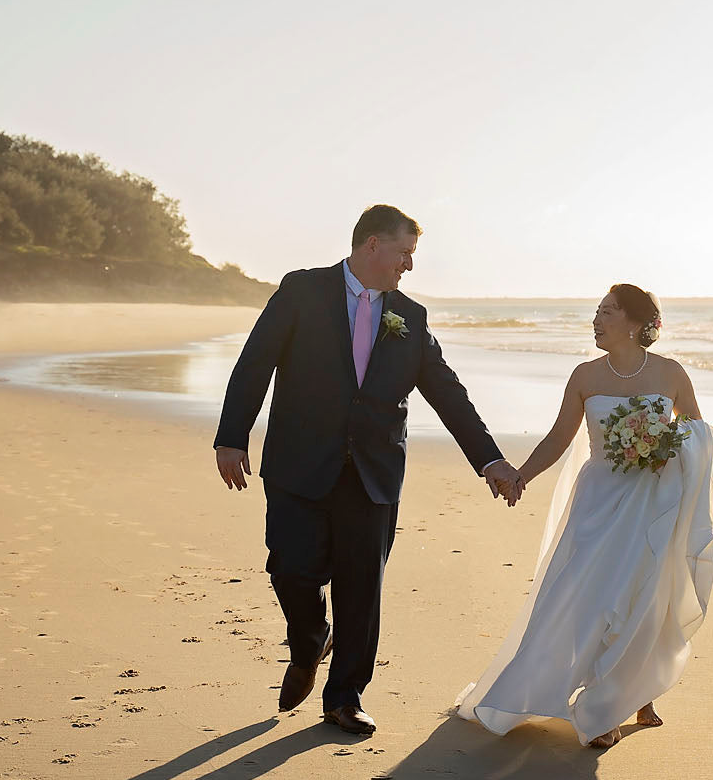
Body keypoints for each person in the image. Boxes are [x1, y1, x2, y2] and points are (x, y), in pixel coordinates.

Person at [214, 204, 524, 738]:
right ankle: (310, 640)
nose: (409, 265)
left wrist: (489, 458)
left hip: (374, 472)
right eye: (405, 253)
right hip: (298, 464)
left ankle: (345, 697)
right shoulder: (301, 291)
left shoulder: (411, 317)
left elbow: (447, 392)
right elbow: (255, 360)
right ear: (372, 245)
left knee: (362, 589)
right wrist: (232, 436)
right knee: (291, 569)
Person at [457, 283, 713, 749]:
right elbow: (558, 439)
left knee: (643, 595)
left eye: (608, 312)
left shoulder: (671, 374)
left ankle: (623, 697)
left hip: (651, 503)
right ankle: (602, 695)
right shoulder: (584, 376)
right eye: (597, 312)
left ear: (636, 323)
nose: (597, 320)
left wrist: (662, 444)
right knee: (591, 594)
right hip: (598, 501)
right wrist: (520, 476)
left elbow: (696, 429)